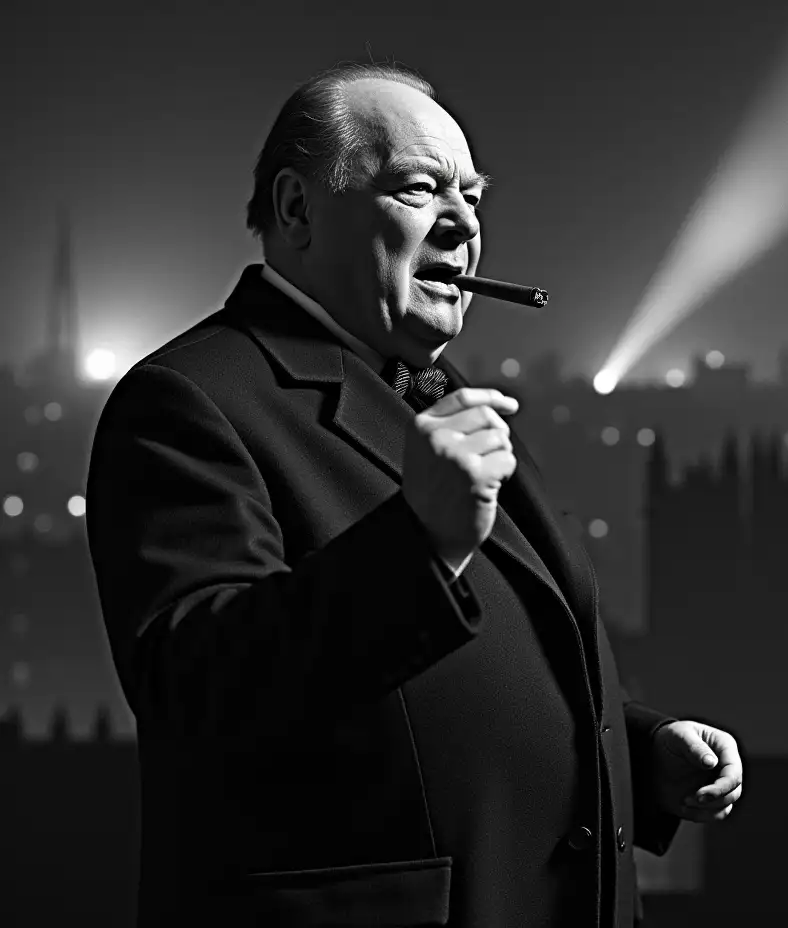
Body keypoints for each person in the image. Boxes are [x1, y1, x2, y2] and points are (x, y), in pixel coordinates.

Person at [86, 62, 743, 928]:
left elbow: (477, 673)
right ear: (296, 210)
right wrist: (420, 543)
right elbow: (198, 695)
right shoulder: (189, 399)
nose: (465, 221)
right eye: (421, 187)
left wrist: (640, 752)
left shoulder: (428, 389)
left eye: (473, 194)